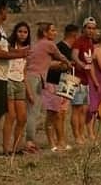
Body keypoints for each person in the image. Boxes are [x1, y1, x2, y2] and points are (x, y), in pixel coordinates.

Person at [0, 0, 28, 158]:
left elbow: (6, 49)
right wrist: (17, 54)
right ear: (1, 10)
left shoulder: (1, 30)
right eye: (6, 10)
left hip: (2, 77)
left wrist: (20, 52)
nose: (7, 13)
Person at [25, 22, 71, 152]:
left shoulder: (37, 45)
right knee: (33, 111)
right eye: (52, 30)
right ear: (45, 33)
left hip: (34, 77)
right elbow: (60, 56)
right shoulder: (49, 44)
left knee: (34, 111)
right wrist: (68, 63)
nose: (55, 33)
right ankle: (29, 142)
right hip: (36, 78)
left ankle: (30, 141)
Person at [42, 24, 78, 152]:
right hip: (55, 81)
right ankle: (52, 142)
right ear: (74, 34)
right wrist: (62, 65)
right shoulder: (58, 47)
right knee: (53, 113)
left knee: (62, 113)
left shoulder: (73, 49)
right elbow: (46, 64)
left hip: (69, 81)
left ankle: (61, 140)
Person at [2, 22, 33, 155]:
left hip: (20, 82)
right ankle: (6, 148)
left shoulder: (28, 50)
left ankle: (17, 147)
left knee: (22, 117)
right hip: (8, 80)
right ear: (15, 32)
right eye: (20, 31)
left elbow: (24, 73)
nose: (22, 34)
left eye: (25, 32)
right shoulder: (9, 46)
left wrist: (29, 92)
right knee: (11, 115)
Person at [71, 16, 98, 144]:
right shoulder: (79, 41)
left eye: (93, 28)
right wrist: (81, 65)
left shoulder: (91, 44)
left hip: (86, 81)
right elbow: (74, 56)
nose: (91, 31)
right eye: (88, 28)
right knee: (76, 108)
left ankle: (81, 134)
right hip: (76, 79)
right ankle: (76, 135)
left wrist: (95, 81)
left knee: (84, 110)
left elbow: (91, 65)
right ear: (84, 28)